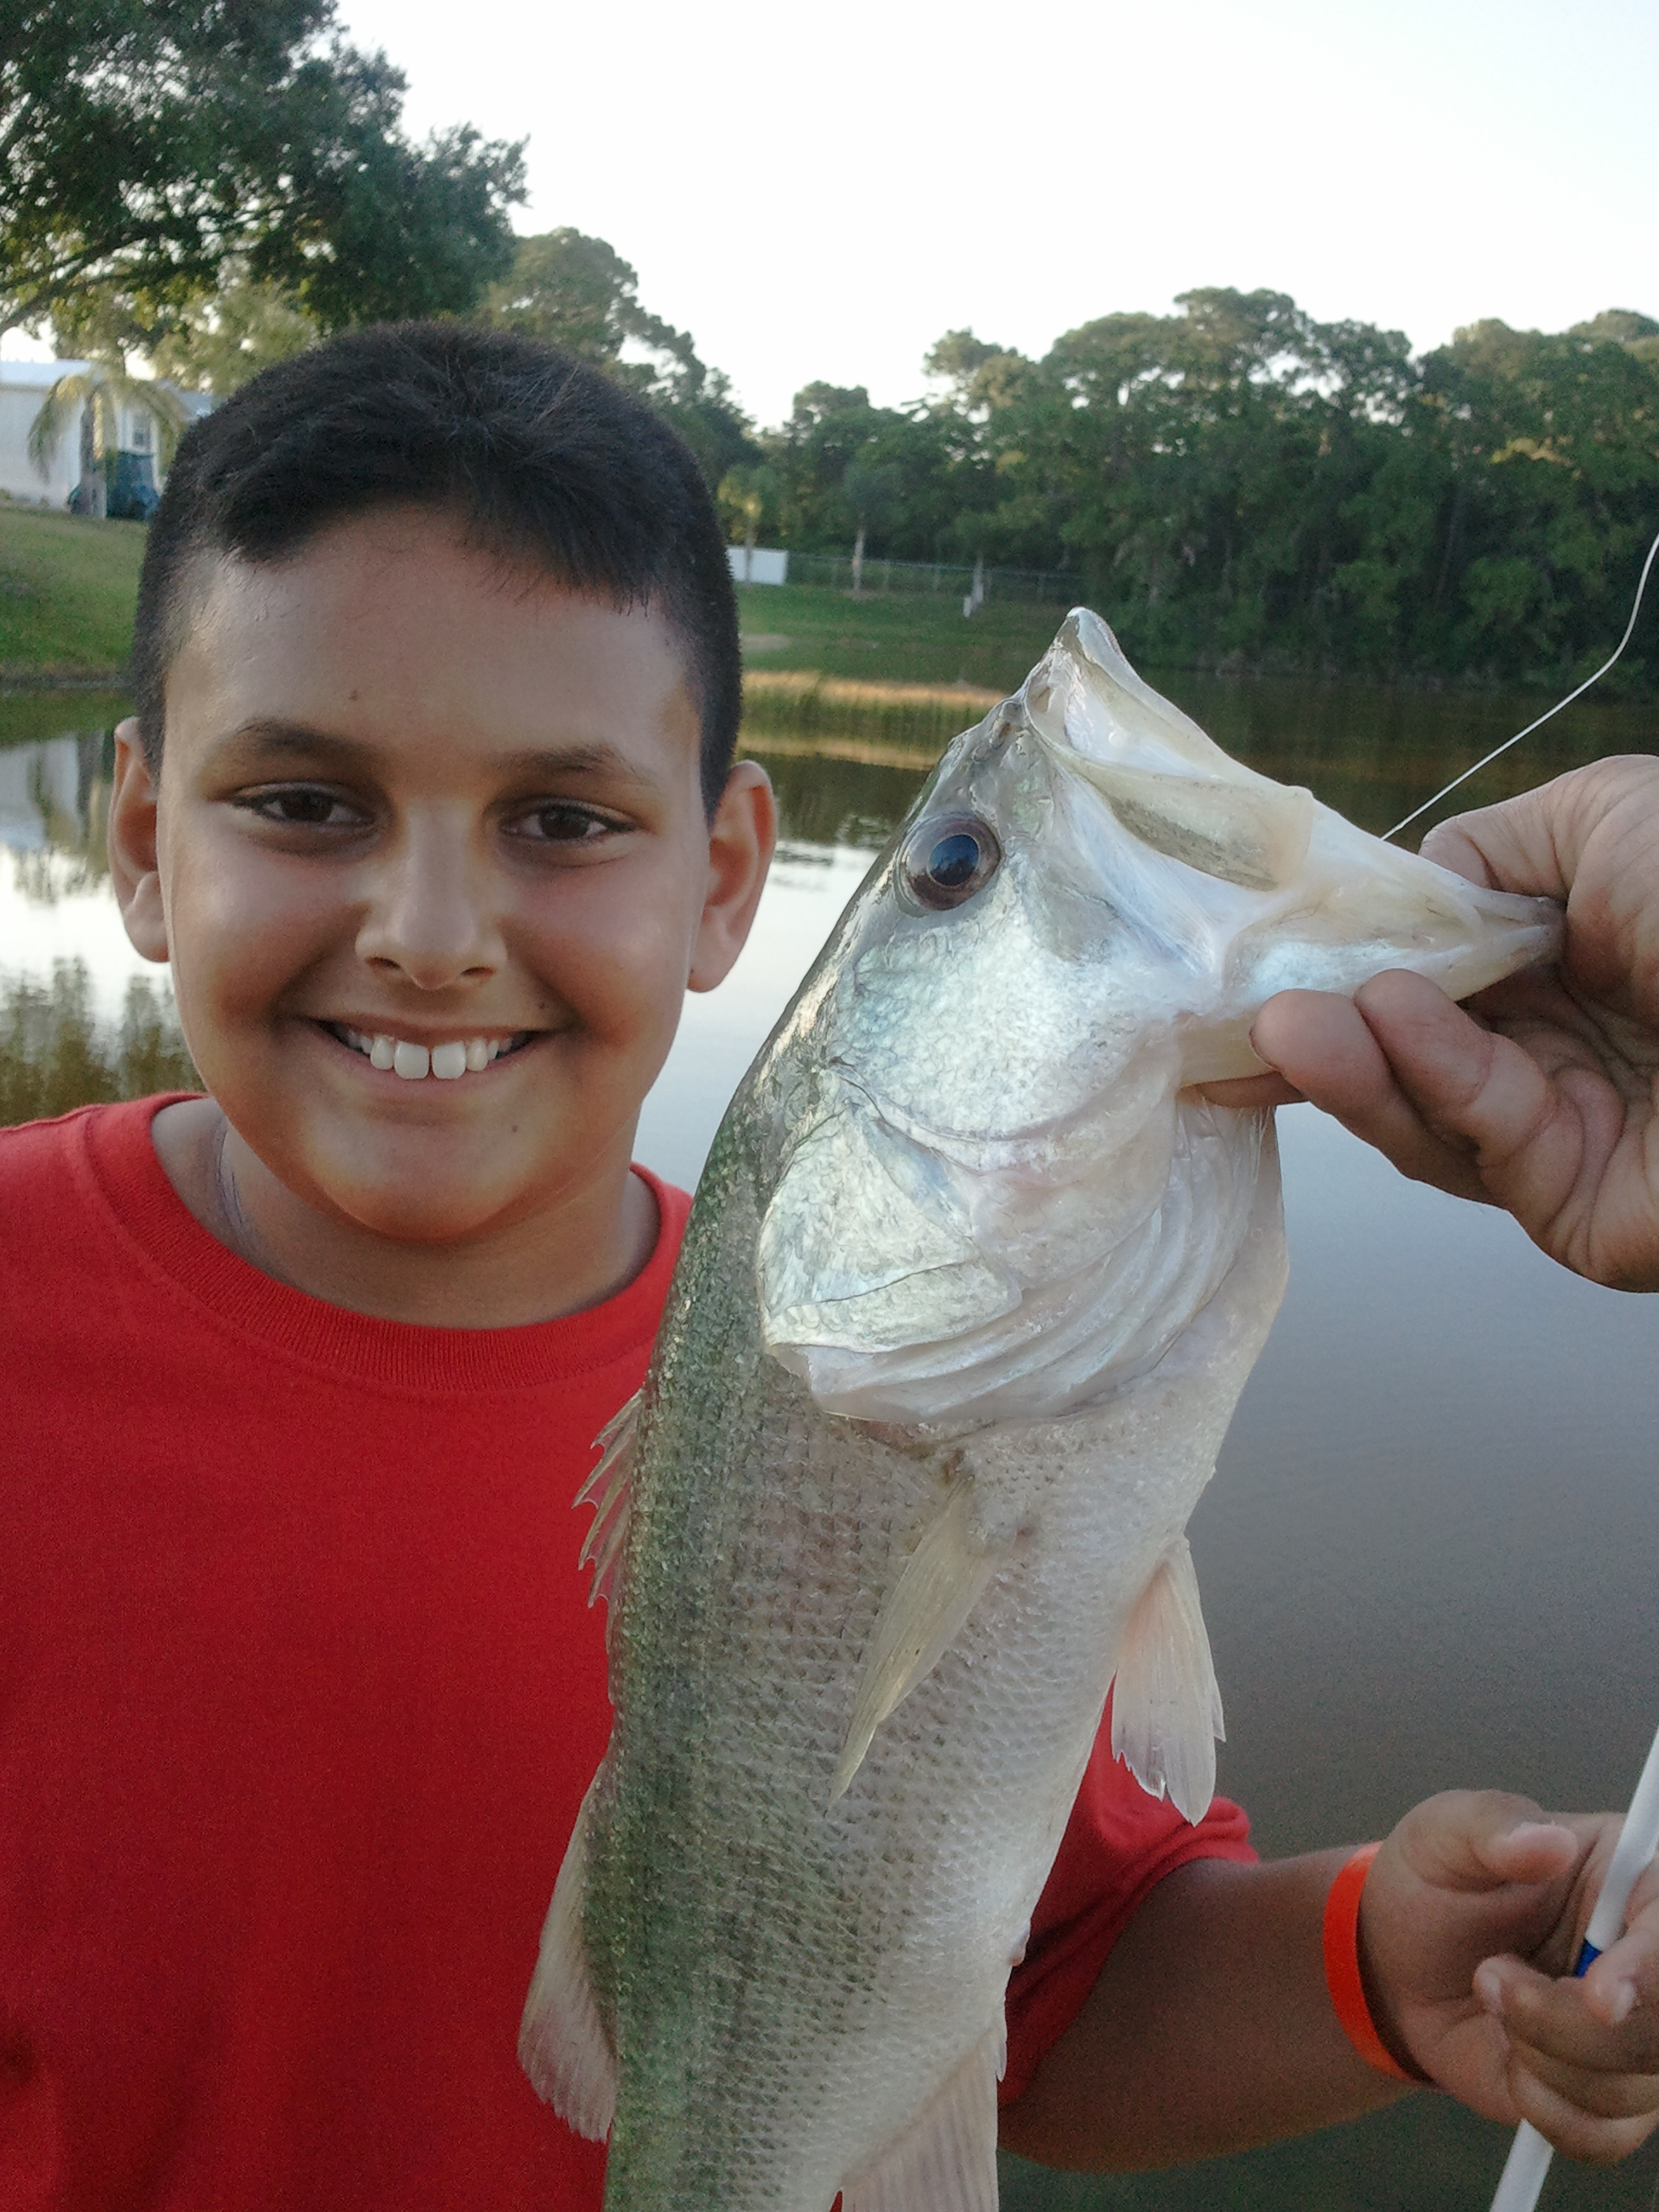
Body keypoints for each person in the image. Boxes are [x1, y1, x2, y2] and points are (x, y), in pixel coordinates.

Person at [0, 321, 1653, 2209]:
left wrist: (1370, 1960)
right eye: (303, 800)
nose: (434, 932)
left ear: (724, 877)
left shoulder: (860, 1387)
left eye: (563, 818)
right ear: (137, 837)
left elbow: (1049, 1994)